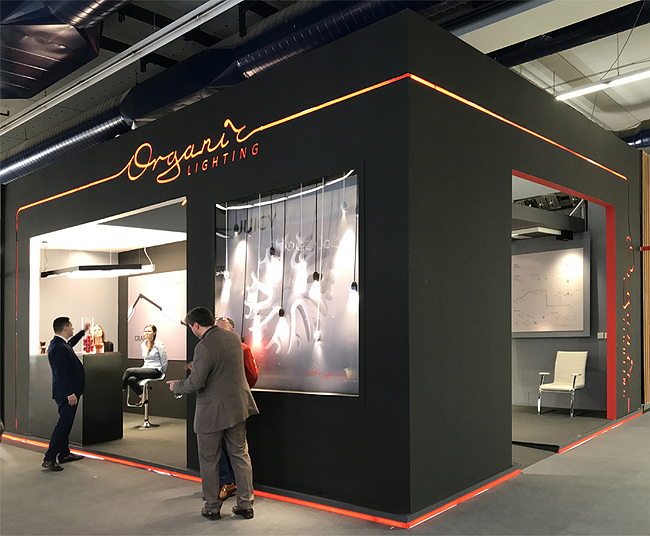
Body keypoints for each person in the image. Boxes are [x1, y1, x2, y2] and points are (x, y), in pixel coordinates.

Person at [168, 307, 258, 521]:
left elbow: (196, 383)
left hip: (212, 412)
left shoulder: (204, 346)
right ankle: (246, 505)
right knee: (240, 455)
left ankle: (212, 507)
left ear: (195, 325)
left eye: (191, 327)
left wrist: (176, 386)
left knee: (209, 460)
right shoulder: (234, 338)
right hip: (238, 408)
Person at [214, 316, 258, 501]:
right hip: (217, 405)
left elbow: (252, 376)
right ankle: (227, 483)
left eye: (223, 330)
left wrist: (238, 391)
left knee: (237, 449)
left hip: (235, 405)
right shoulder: (212, 350)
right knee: (219, 446)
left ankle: (242, 493)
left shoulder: (243, 349)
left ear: (232, 331)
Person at [41, 317, 90, 471]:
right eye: (71, 326)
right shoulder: (58, 347)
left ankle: (64, 453)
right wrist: (69, 393)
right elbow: (60, 373)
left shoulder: (61, 344)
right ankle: (49, 458)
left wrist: (83, 332)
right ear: (65, 328)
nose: (72, 328)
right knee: (63, 425)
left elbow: (71, 343)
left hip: (67, 392)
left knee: (66, 424)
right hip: (66, 394)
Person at [122, 325, 167, 405]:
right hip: (146, 369)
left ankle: (120, 390)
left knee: (128, 371)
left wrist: (162, 372)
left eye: (149, 331)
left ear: (154, 333)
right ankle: (143, 398)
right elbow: (146, 360)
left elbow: (164, 359)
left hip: (156, 370)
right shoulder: (143, 344)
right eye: (145, 331)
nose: (147, 333)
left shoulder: (159, 344)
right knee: (131, 379)